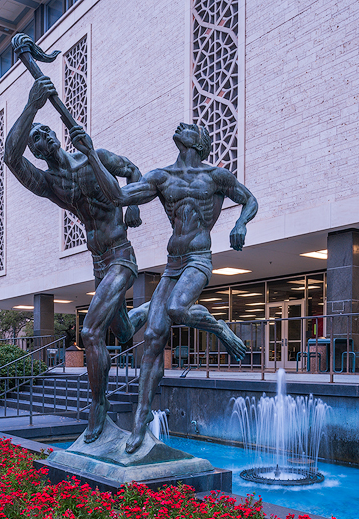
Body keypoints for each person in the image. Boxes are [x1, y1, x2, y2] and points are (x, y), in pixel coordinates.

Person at [69, 120, 258, 453]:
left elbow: (249, 200)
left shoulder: (216, 176)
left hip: (198, 258)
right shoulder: (161, 177)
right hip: (172, 265)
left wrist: (240, 223)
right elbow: (119, 195)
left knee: (177, 308)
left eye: (191, 127)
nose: (182, 125)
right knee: (153, 338)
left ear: (200, 143)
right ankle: (140, 424)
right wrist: (91, 155)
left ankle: (220, 328)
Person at [4, 75, 149, 443]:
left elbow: (132, 170)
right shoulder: (49, 184)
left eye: (45, 132)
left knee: (91, 331)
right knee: (125, 330)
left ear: (57, 134)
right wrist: (32, 105)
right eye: (34, 138)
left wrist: (130, 202)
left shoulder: (93, 156)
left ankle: (97, 408)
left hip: (120, 255)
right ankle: (152, 309)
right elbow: (9, 157)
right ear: (34, 150)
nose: (42, 138)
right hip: (98, 261)